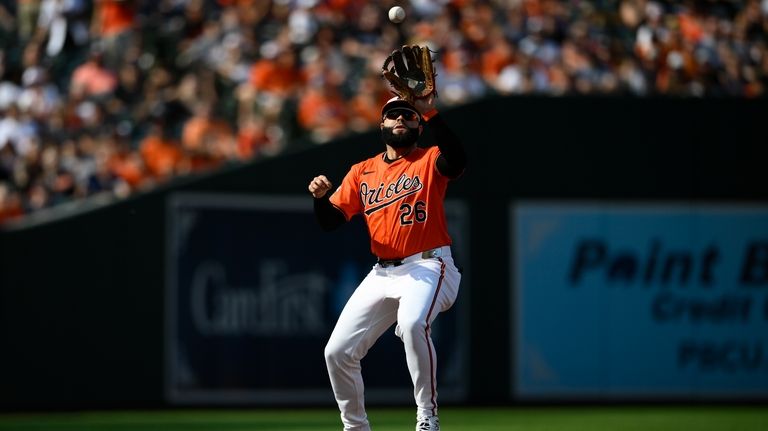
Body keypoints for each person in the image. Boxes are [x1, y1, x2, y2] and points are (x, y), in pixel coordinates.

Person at [307, 93, 466, 431]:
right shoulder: (362, 171)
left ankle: (427, 416)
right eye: (393, 115)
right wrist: (321, 200)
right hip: (382, 272)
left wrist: (432, 113)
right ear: (381, 124)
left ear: (419, 126)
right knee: (337, 352)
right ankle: (355, 427)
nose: (400, 121)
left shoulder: (429, 158)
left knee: (411, 324)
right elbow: (331, 221)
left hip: (429, 264)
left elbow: (457, 159)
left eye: (408, 116)